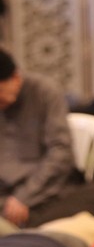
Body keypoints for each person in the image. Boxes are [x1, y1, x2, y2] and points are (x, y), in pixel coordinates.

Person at [0, 49, 75, 226]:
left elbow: (61, 152)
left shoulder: (45, 91)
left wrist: (24, 197)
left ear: (15, 78)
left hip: (42, 188)